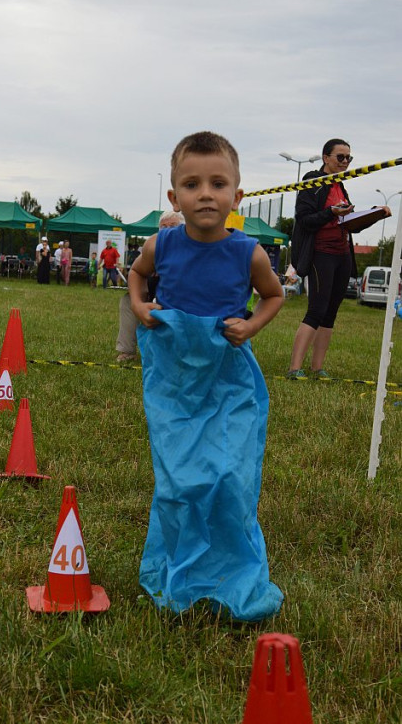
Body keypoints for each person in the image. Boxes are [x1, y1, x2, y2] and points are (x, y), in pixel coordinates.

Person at [128, 131, 284, 621]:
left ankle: (231, 568)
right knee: (179, 480)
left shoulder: (249, 253)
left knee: (231, 475)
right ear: (174, 197)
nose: (206, 194)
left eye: (218, 184)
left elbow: (275, 295)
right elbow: (136, 274)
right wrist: (140, 306)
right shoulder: (163, 243)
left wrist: (252, 323)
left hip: (228, 376)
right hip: (174, 378)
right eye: (192, 185)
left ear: (237, 197)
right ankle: (180, 562)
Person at [287, 139, 391, 378]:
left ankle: (317, 367)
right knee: (316, 310)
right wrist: (331, 212)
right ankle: (294, 368)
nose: (345, 162)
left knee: (331, 312)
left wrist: (375, 216)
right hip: (320, 253)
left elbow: (350, 226)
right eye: (340, 157)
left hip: (342, 255)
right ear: (325, 158)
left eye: (349, 158)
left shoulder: (340, 186)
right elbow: (304, 220)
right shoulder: (313, 181)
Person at [116, 210, 184, 362]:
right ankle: (127, 351)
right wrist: (137, 301)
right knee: (128, 301)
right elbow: (136, 271)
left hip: (181, 300)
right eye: (163, 227)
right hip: (153, 294)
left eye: (172, 225)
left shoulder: (192, 246)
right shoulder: (153, 248)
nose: (167, 230)